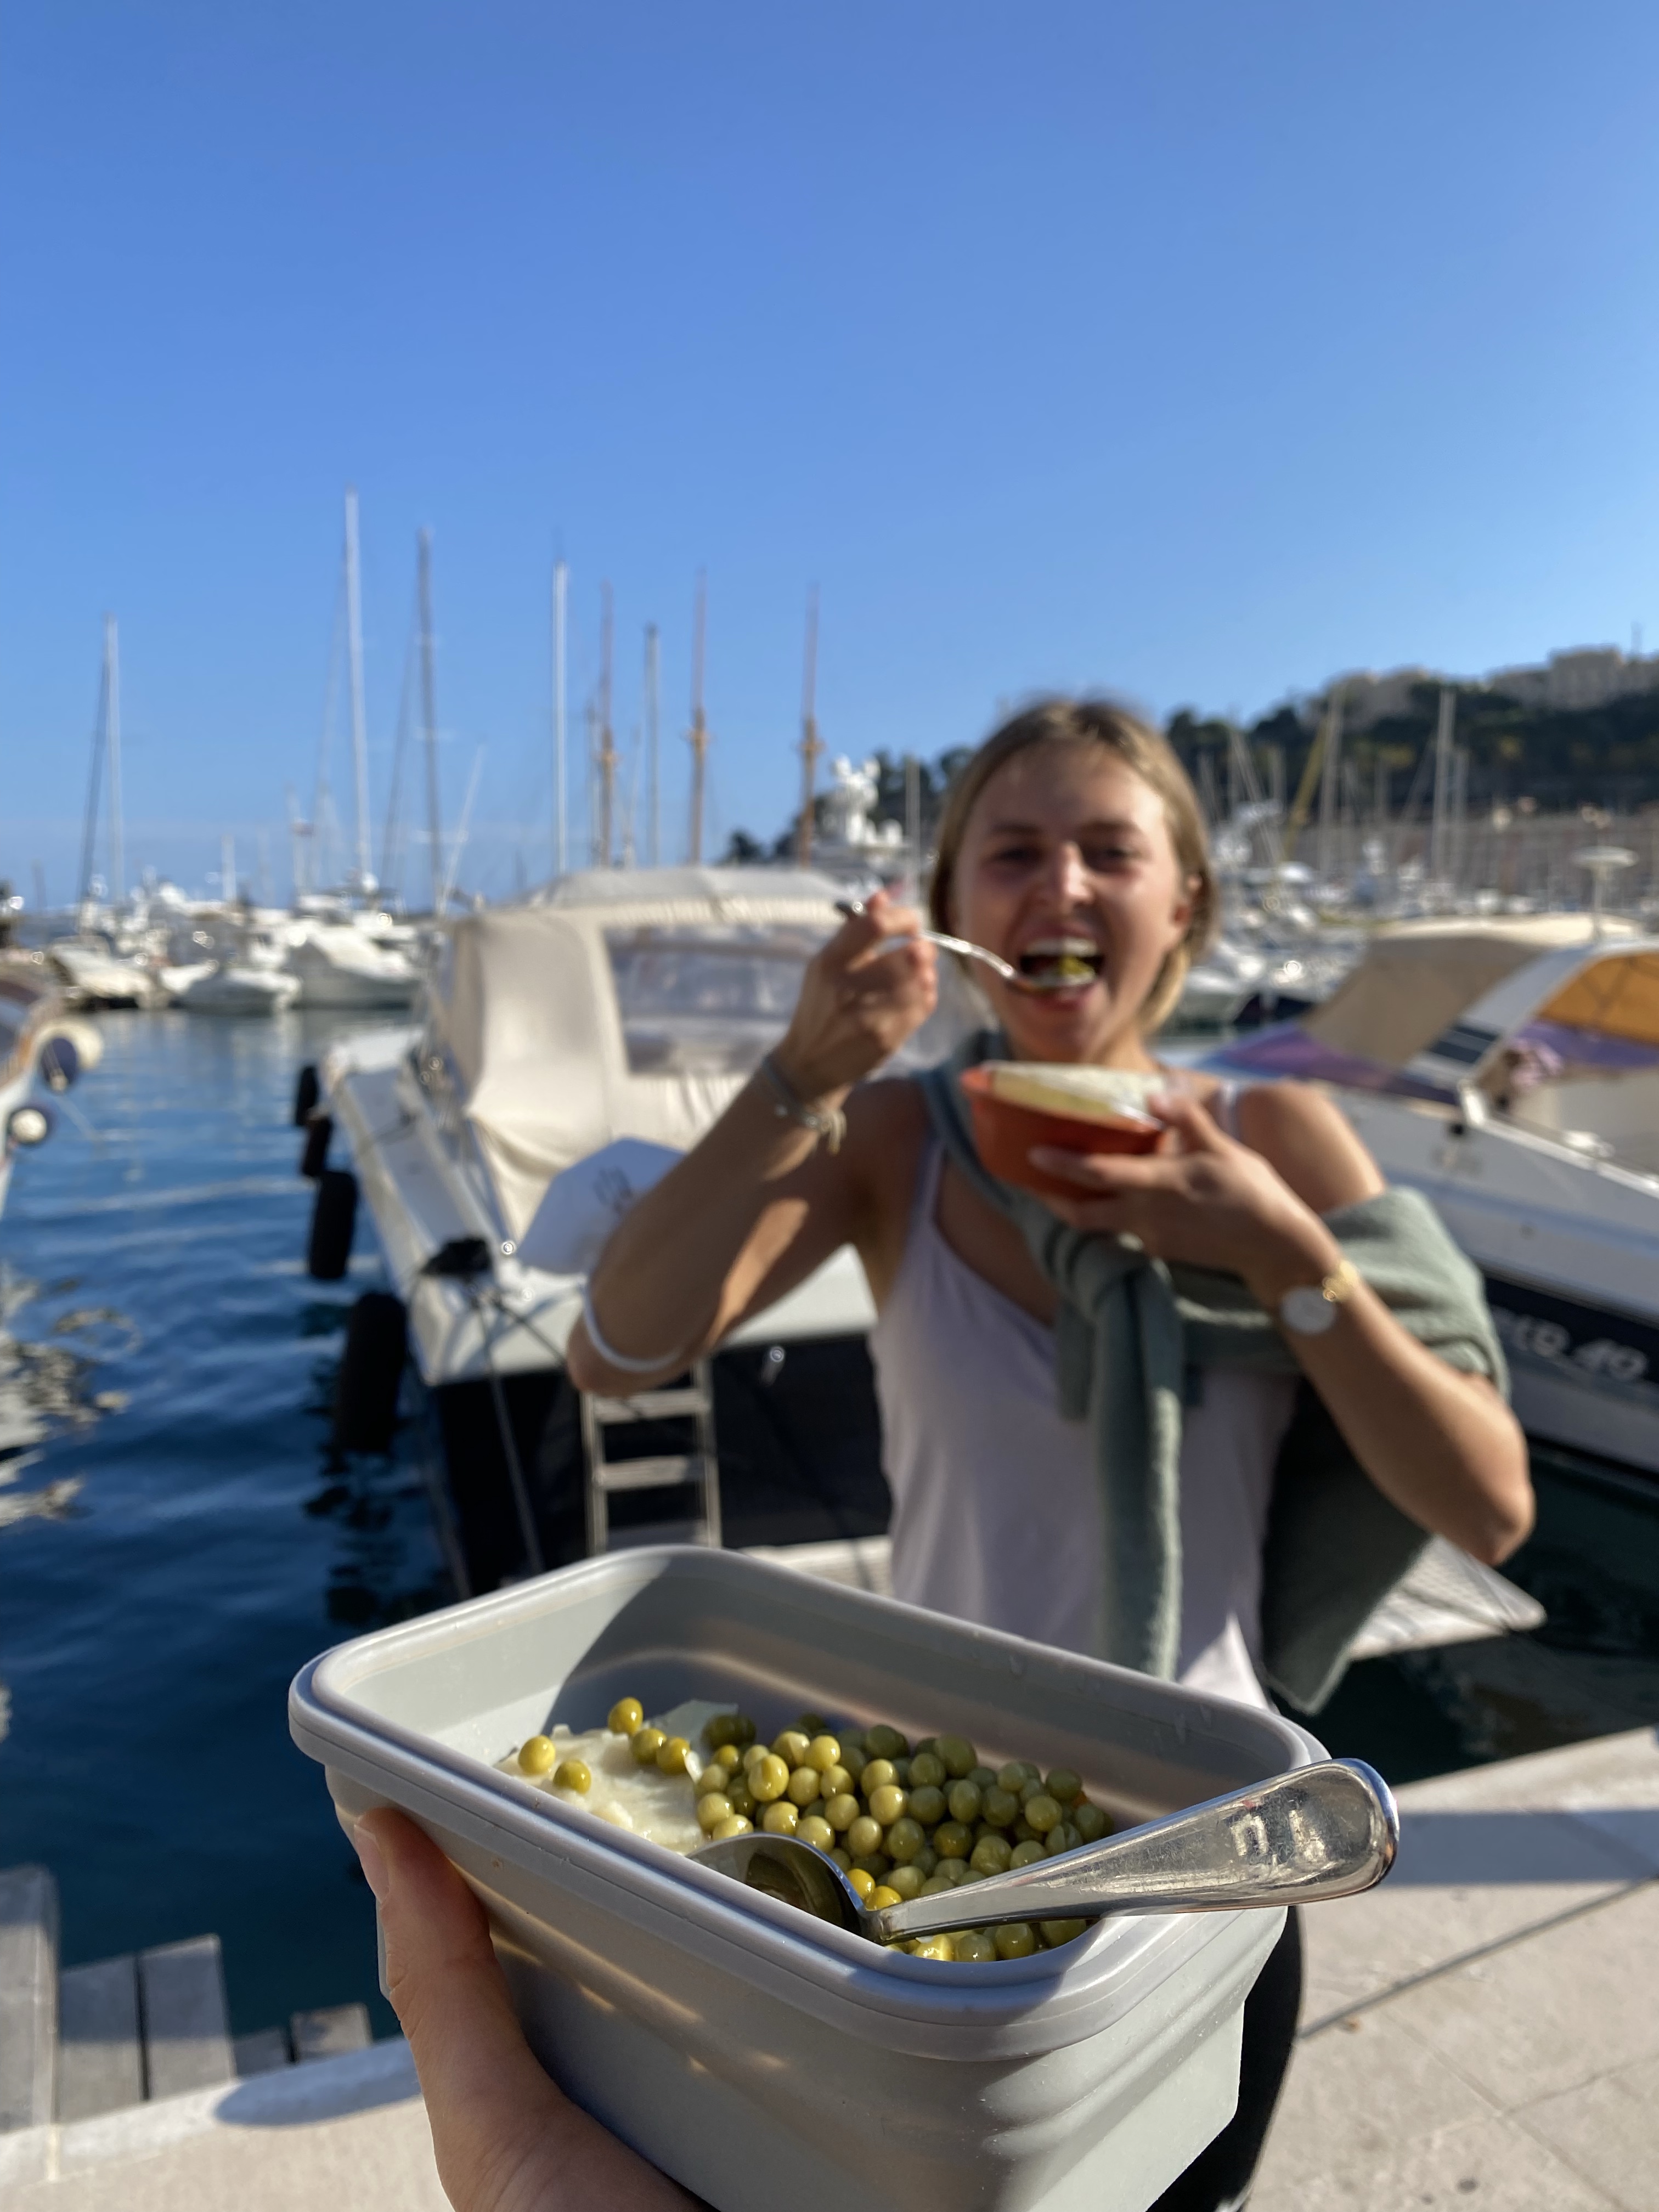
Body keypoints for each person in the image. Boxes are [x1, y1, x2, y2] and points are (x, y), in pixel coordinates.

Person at [379, 699, 1533, 2211]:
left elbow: (1488, 1506)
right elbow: (618, 1346)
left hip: (1211, 1846)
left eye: (1109, 851)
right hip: (925, 1839)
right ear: (954, 914)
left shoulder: (1278, 1140)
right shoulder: (899, 1139)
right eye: (1015, 853)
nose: (1062, 886)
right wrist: (802, 1072)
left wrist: (1276, 1250)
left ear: (1187, 902)